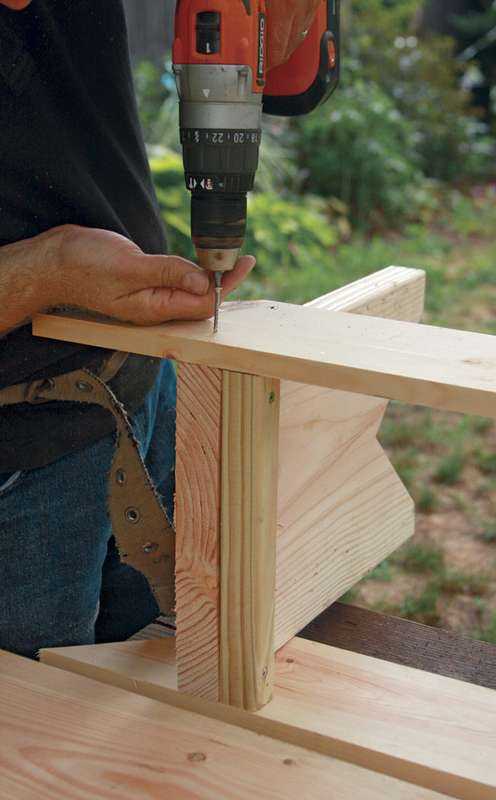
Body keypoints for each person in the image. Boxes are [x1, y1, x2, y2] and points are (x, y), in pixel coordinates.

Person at [0, 0, 320, 657]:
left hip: (141, 383)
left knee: (164, 667)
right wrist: (41, 275)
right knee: (43, 716)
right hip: (21, 452)